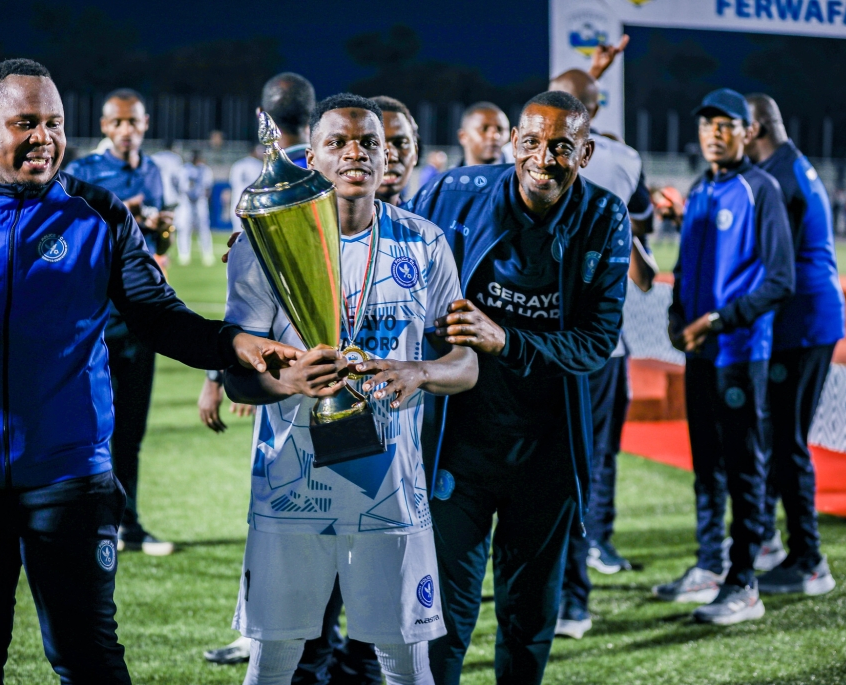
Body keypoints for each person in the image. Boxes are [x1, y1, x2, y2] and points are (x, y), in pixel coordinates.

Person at [0, 58, 298, 685]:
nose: (45, 137)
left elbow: (157, 316)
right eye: (27, 123)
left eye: (55, 123)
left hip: (71, 479)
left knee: (88, 659)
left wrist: (236, 344)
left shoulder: (100, 215)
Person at [224, 93, 478, 685]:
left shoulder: (426, 242)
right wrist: (287, 378)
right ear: (311, 156)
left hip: (391, 488)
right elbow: (237, 369)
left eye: (369, 142)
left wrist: (422, 371)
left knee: (405, 662)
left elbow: (465, 363)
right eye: (337, 142)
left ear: (390, 156)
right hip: (289, 486)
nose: (355, 153)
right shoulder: (262, 248)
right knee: (274, 660)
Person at [406, 90, 631, 684]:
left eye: (561, 146)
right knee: (440, 621)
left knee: (528, 618)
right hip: (459, 445)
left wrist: (506, 340)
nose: (543, 158)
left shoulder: (606, 217)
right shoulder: (454, 192)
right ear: (513, 144)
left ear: (585, 152)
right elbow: (390, 256)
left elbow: (596, 342)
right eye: (531, 142)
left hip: (547, 453)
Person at [656, 88, 794, 625]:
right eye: (706, 124)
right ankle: (711, 566)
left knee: (743, 468)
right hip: (699, 353)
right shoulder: (699, 190)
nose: (714, 132)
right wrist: (675, 315)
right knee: (706, 466)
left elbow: (781, 281)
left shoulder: (762, 190)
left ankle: (745, 582)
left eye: (725, 124)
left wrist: (719, 320)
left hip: (740, 352)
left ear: (746, 132)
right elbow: (686, 271)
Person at [203, 71, 318, 668]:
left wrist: (222, 377)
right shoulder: (336, 174)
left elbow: (242, 300)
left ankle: (265, 637)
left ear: (264, 116)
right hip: (344, 371)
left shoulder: (266, 181)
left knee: (274, 512)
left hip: (278, 372)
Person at [548, 67, 657, 640]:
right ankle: (594, 557)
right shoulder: (623, 158)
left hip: (540, 345)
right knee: (591, 459)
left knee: (553, 466)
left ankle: (570, 593)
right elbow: (645, 255)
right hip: (597, 345)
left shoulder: (529, 161)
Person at [66, 88, 177, 556]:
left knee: (131, 433)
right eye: (119, 123)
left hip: (140, 320)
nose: (128, 130)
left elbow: (160, 251)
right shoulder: (84, 172)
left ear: (145, 124)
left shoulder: (152, 171)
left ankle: (127, 523)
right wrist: (119, 214)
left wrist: (160, 231)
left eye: (135, 122)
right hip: (95, 324)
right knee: (91, 431)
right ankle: (88, 524)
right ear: (106, 127)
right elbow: (66, 233)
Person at [744, 93, 842, 595]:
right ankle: (768, 538)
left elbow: (767, 260)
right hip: (804, 319)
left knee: (786, 441)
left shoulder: (779, 177)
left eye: (739, 127)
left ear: (756, 127)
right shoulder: (790, 164)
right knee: (776, 435)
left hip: (801, 323)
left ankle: (808, 560)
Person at [177, 150, 215, 266]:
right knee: (184, 228)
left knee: (203, 228)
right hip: (186, 201)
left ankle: (207, 254)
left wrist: (202, 197)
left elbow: (208, 187)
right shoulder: (184, 169)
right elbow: (181, 186)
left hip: (200, 200)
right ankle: (184, 254)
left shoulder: (205, 170)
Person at [457, 102, 510, 166]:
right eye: (484, 129)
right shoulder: (448, 175)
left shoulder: (519, 174)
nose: (495, 136)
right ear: (463, 137)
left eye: (500, 129)